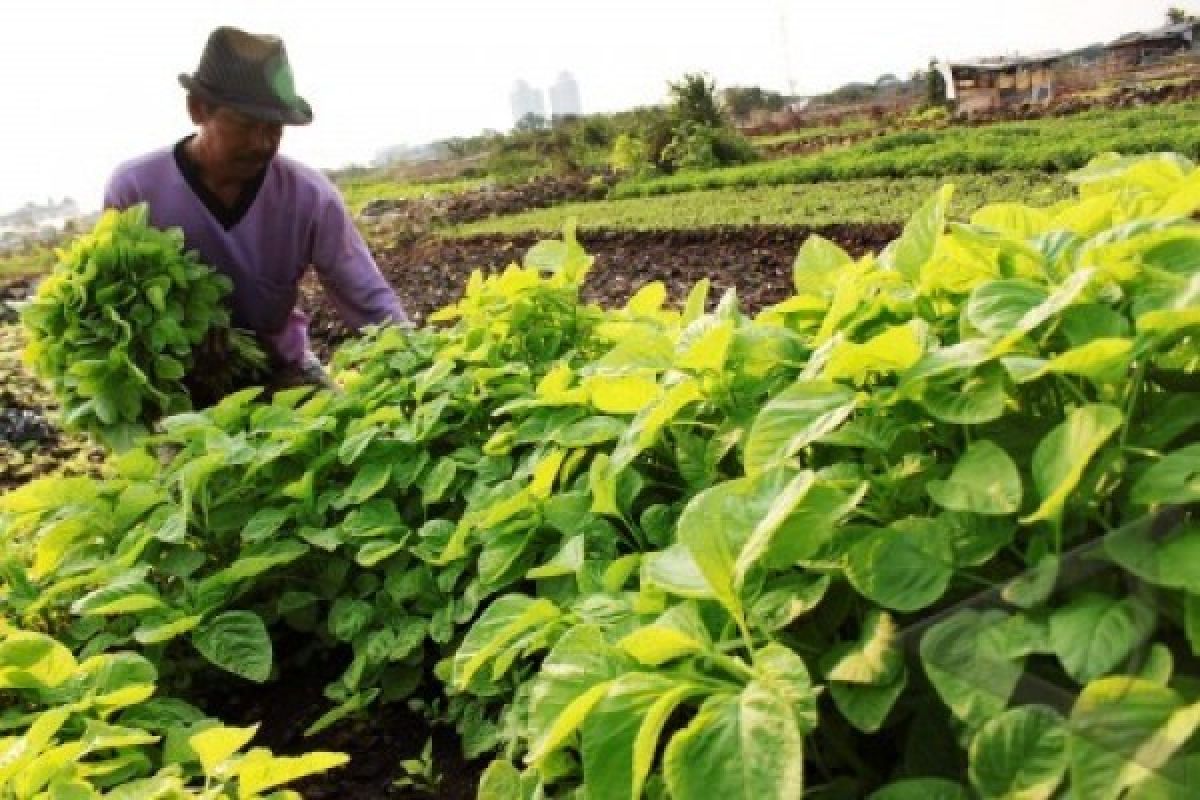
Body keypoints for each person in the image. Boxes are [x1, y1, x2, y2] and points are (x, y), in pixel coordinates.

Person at [103, 26, 410, 399]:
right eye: (246, 126)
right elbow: (117, 302)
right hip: (179, 389)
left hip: (283, 370)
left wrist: (422, 368)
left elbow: (368, 298)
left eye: (274, 129)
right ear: (198, 109)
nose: (262, 143)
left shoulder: (309, 197)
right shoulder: (136, 189)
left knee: (343, 443)